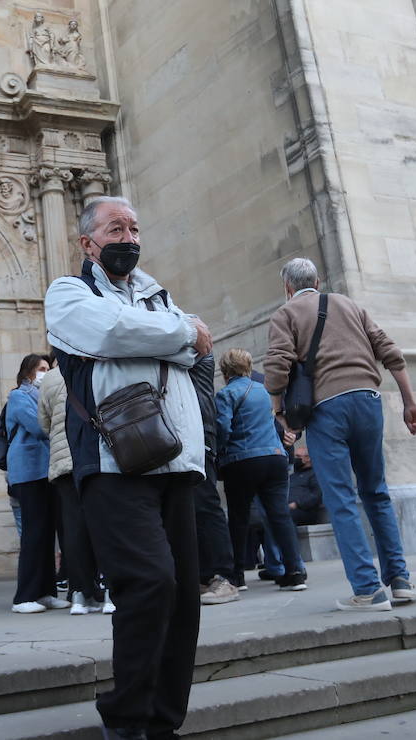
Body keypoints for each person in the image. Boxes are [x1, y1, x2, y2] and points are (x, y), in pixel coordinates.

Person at [45, 195, 211, 740]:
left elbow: (195, 354)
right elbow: (108, 333)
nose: (129, 238)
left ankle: (163, 723)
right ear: (88, 242)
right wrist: (181, 333)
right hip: (114, 464)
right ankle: (126, 717)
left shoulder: (158, 294)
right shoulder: (68, 292)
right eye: (116, 228)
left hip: (177, 462)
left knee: (185, 598)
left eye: (135, 228)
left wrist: (172, 335)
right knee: (150, 583)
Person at [264, 257, 416, 612]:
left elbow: (276, 369)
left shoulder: (286, 314)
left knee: (340, 499)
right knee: (376, 491)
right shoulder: (349, 304)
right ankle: (399, 580)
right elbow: (390, 352)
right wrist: (410, 403)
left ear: (287, 288)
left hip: (327, 409)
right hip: (369, 400)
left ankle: (368, 589)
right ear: (317, 282)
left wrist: (279, 413)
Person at [215, 348, 307, 592]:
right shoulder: (266, 391)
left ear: (225, 371)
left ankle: (237, 576)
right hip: (275, 458)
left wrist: (218, 452)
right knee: (280, 516)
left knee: (238, 517)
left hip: (242, 460)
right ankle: (294, 572)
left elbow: (223, 429)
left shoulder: (226, 394)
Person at [40, 363, 111, 615]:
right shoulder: (93, 368)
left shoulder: (48, 379)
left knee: (73, 529)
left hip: (62, 462)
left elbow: (43, 422)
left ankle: (80, 592)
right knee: (103, 523)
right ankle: (109, 589)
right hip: (92, 457)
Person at [7, 353, 69, 614]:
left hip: (46, 471)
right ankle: (24, 596)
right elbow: (38, 426)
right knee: (33, 534)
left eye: (48, 368)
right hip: (28, 472)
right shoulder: (19, 396)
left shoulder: (43, 395)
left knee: (46, 533)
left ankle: (46, 591)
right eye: (42, 368)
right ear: (28, 372)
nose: (46, 372)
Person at [188, 353, 240, 605]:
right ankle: (204, 575)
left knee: (206, 503)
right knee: (192, 506)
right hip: (187, 429)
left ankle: (224, 577)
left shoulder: (196, 351)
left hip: (198, 431)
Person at [289, 439, 325, 526]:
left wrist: (297, 504)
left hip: (303, 511)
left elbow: (317, 494)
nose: (295, 459)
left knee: (284, 517)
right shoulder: (292, 476)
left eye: (298, 456)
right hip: (286, 509)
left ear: (308, 458)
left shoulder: (315, 474)